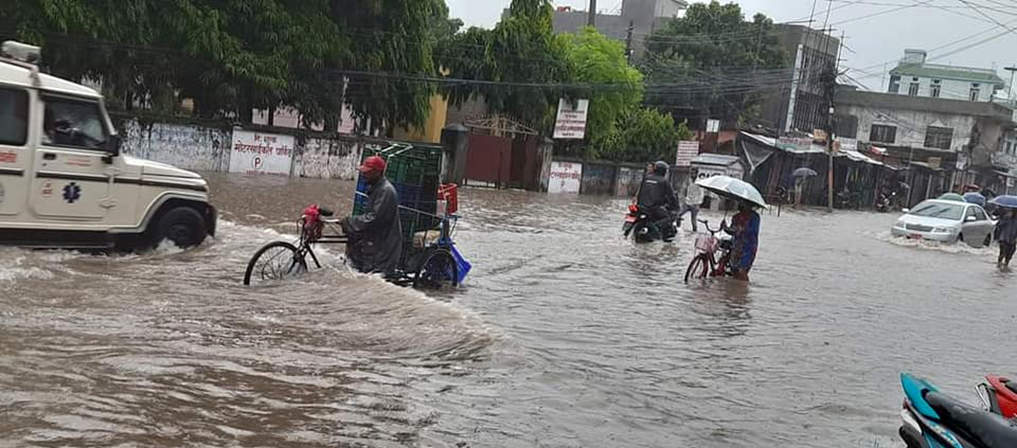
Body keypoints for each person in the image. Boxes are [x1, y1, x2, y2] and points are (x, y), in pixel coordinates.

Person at [341, 156, 403, 275]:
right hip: (374, 242)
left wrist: (350, 222)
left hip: (383, 247)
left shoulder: (386, 191)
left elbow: (374, 218)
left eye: (367, 172)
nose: (364, 175)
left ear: (377, 172)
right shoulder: (376, 187)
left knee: (374, 277)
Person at [636, 161, 680, 240]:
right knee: (668, 218)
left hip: (640, 206)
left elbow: (640, 192)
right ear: (663, 171)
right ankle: (655, 227)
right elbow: (671, 196)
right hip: (654, 208)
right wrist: (675, 206)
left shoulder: (646, 177)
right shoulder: (664, 181)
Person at [723, 201, 761, 282]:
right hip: (736, 246)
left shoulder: (754, 217)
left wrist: (743, 229)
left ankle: (744, 289)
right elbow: (732, 230)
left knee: (742, 270)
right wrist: (725, 227)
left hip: (748, 247)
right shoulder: (735, 217)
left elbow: (754, 231)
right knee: (734, 270)